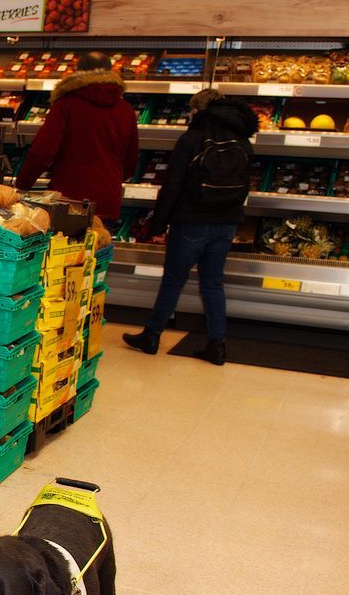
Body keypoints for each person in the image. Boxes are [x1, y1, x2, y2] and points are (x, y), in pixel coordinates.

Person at [123, 89, 258, 365]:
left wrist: (157, 224)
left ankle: (152, 336)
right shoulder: (243, 140)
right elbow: (245, 185)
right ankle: (217, 345)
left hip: (192, 222)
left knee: (173, 280)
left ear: (198, 111)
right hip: (226, 222)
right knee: (213, 284)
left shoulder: (192, 138)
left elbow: (172, 185)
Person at [14, 52, 139, 222]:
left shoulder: (65, 105)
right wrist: (109, 180)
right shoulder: (126, 109)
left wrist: (22, 185)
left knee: (65, 247)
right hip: (108, 199)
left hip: (69, 199)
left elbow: (43, 152)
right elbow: (131, 161)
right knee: (98, 245)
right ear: (111, 73)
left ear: (78, 73)